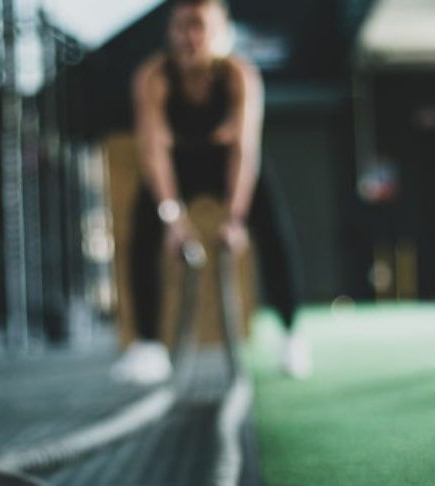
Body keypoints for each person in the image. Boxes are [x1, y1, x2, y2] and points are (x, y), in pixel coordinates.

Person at [111, 0, 311, 384]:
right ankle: (149, 347)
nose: (190, 37)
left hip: (226, 163)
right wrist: (172, 217)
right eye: (182, 27)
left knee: (272, 228)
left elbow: (245, 150)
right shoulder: (154, 77)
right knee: (143, 226)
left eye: (199, 26)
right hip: (179, 164)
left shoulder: (239, 76)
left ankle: (291, 336)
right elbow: (153, 152)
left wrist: (235, 219)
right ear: (170, 32)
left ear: (220, 32)